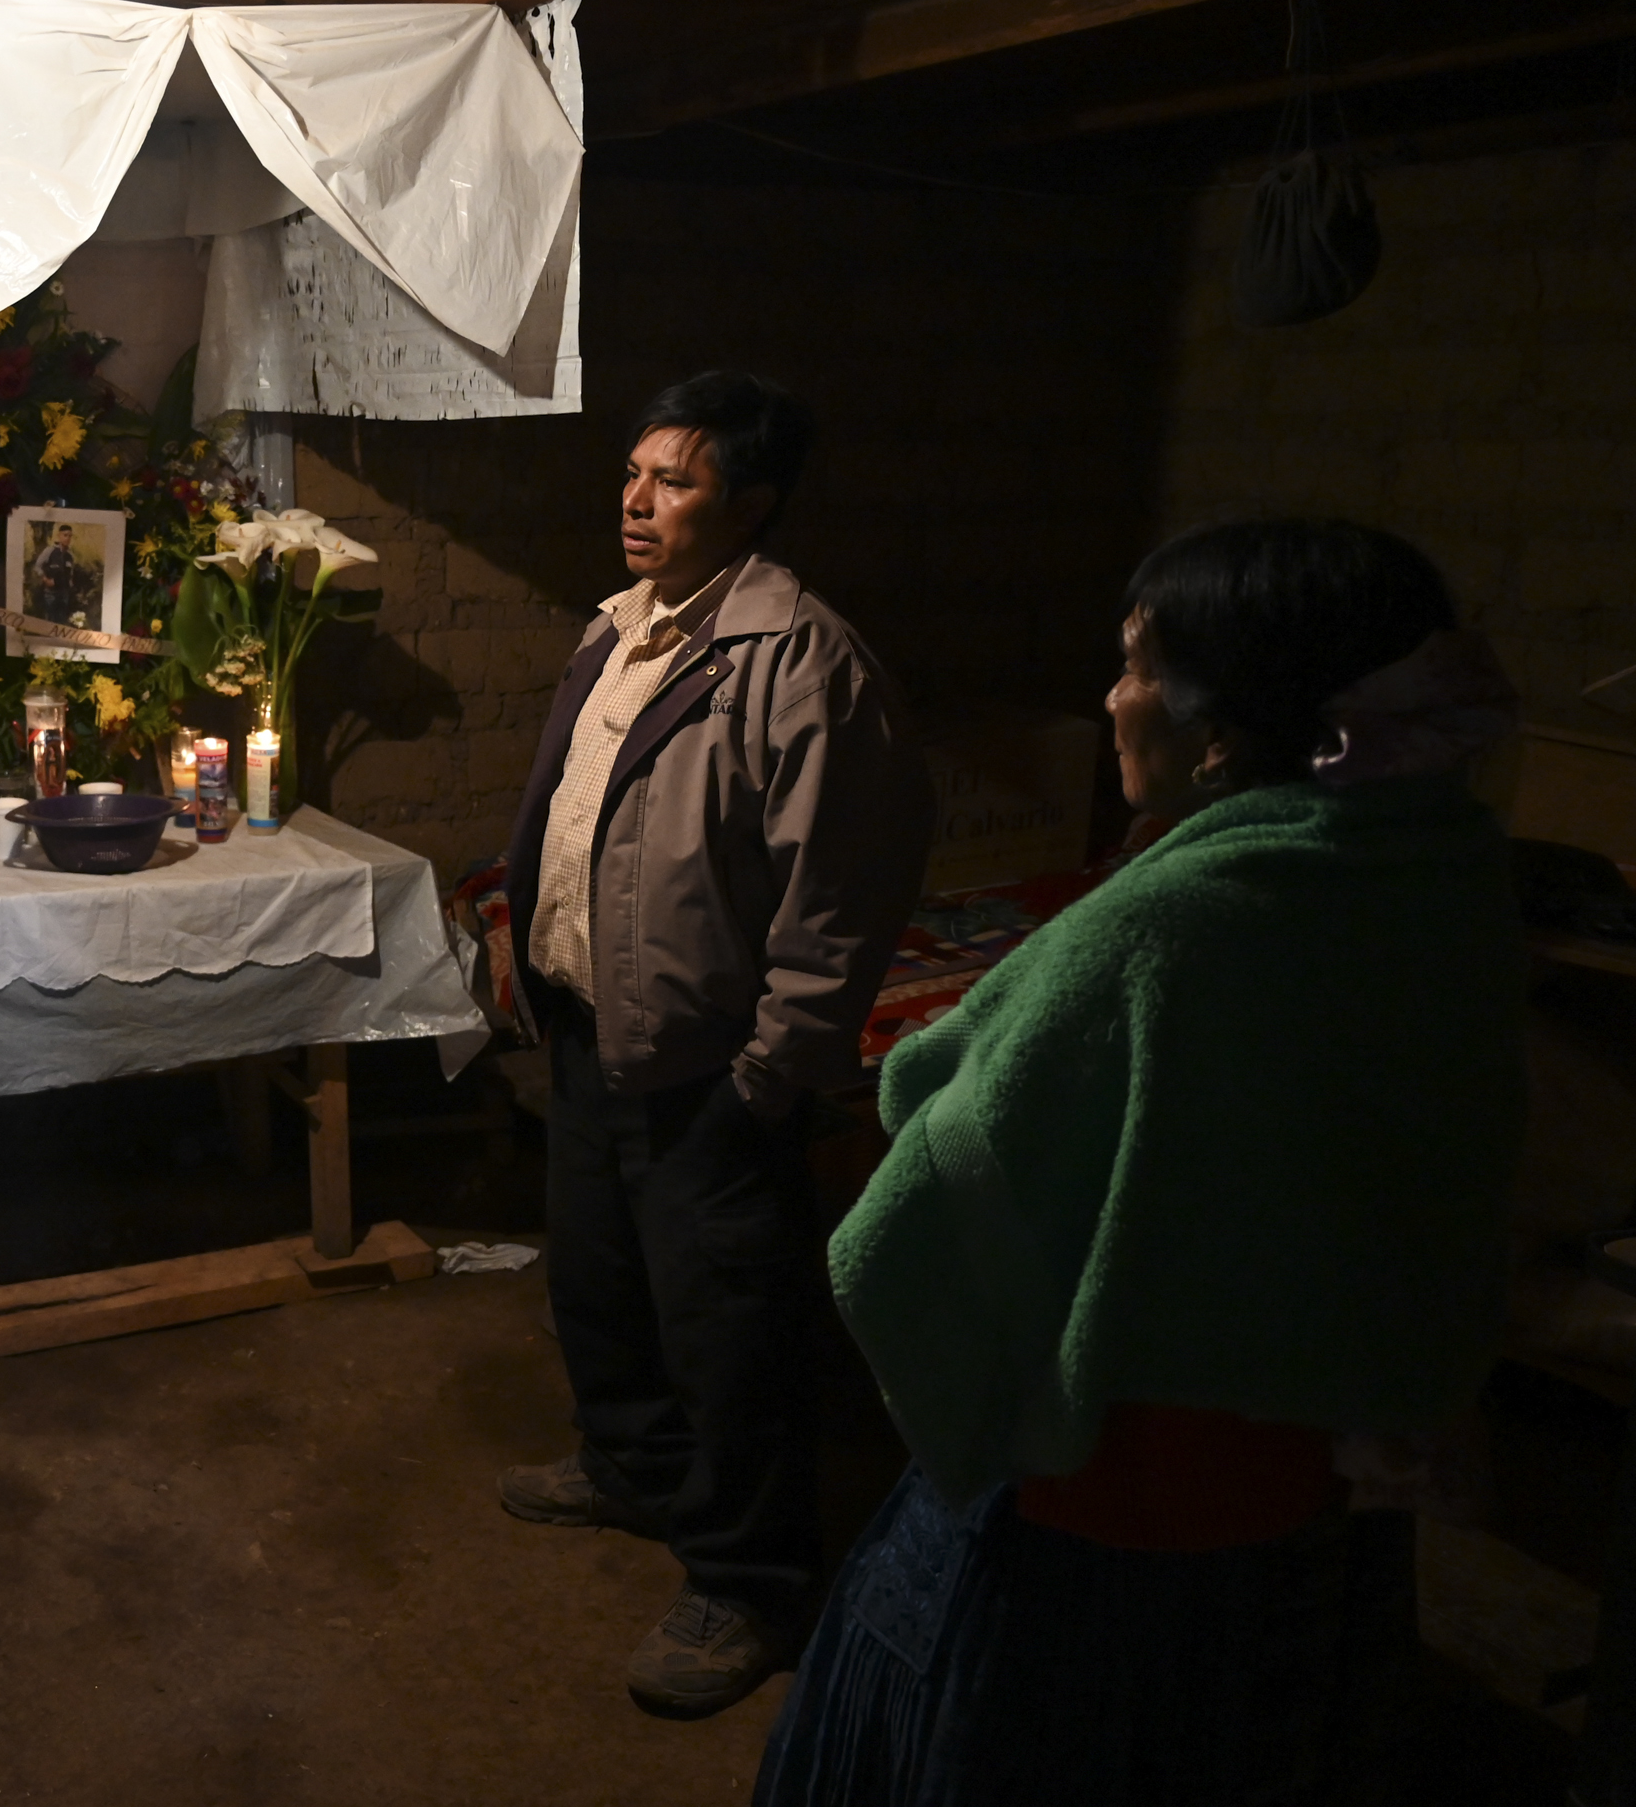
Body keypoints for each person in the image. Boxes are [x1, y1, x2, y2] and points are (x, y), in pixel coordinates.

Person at [756, 520, 1527, 1805]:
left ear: (1220, 726)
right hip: (1317, 1474)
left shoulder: (1172, 926)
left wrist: (934, 1076)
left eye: (1134, 665)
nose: (1113, 697)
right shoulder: (1436, 874)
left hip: (1116, 1487)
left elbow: (945, 1143)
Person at [499, 370, 931, 1720]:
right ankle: (631, 1466)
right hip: (595, 1029)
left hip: (710, 1063)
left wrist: (771, 1071)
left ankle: (750, 1582)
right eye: (632, 474)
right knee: (599, 1279)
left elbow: (840, 893)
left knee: (731, 1326)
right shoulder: (622, 628)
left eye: (674, 481)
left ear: (749, 504)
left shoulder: (798, 660)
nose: (637, 502)